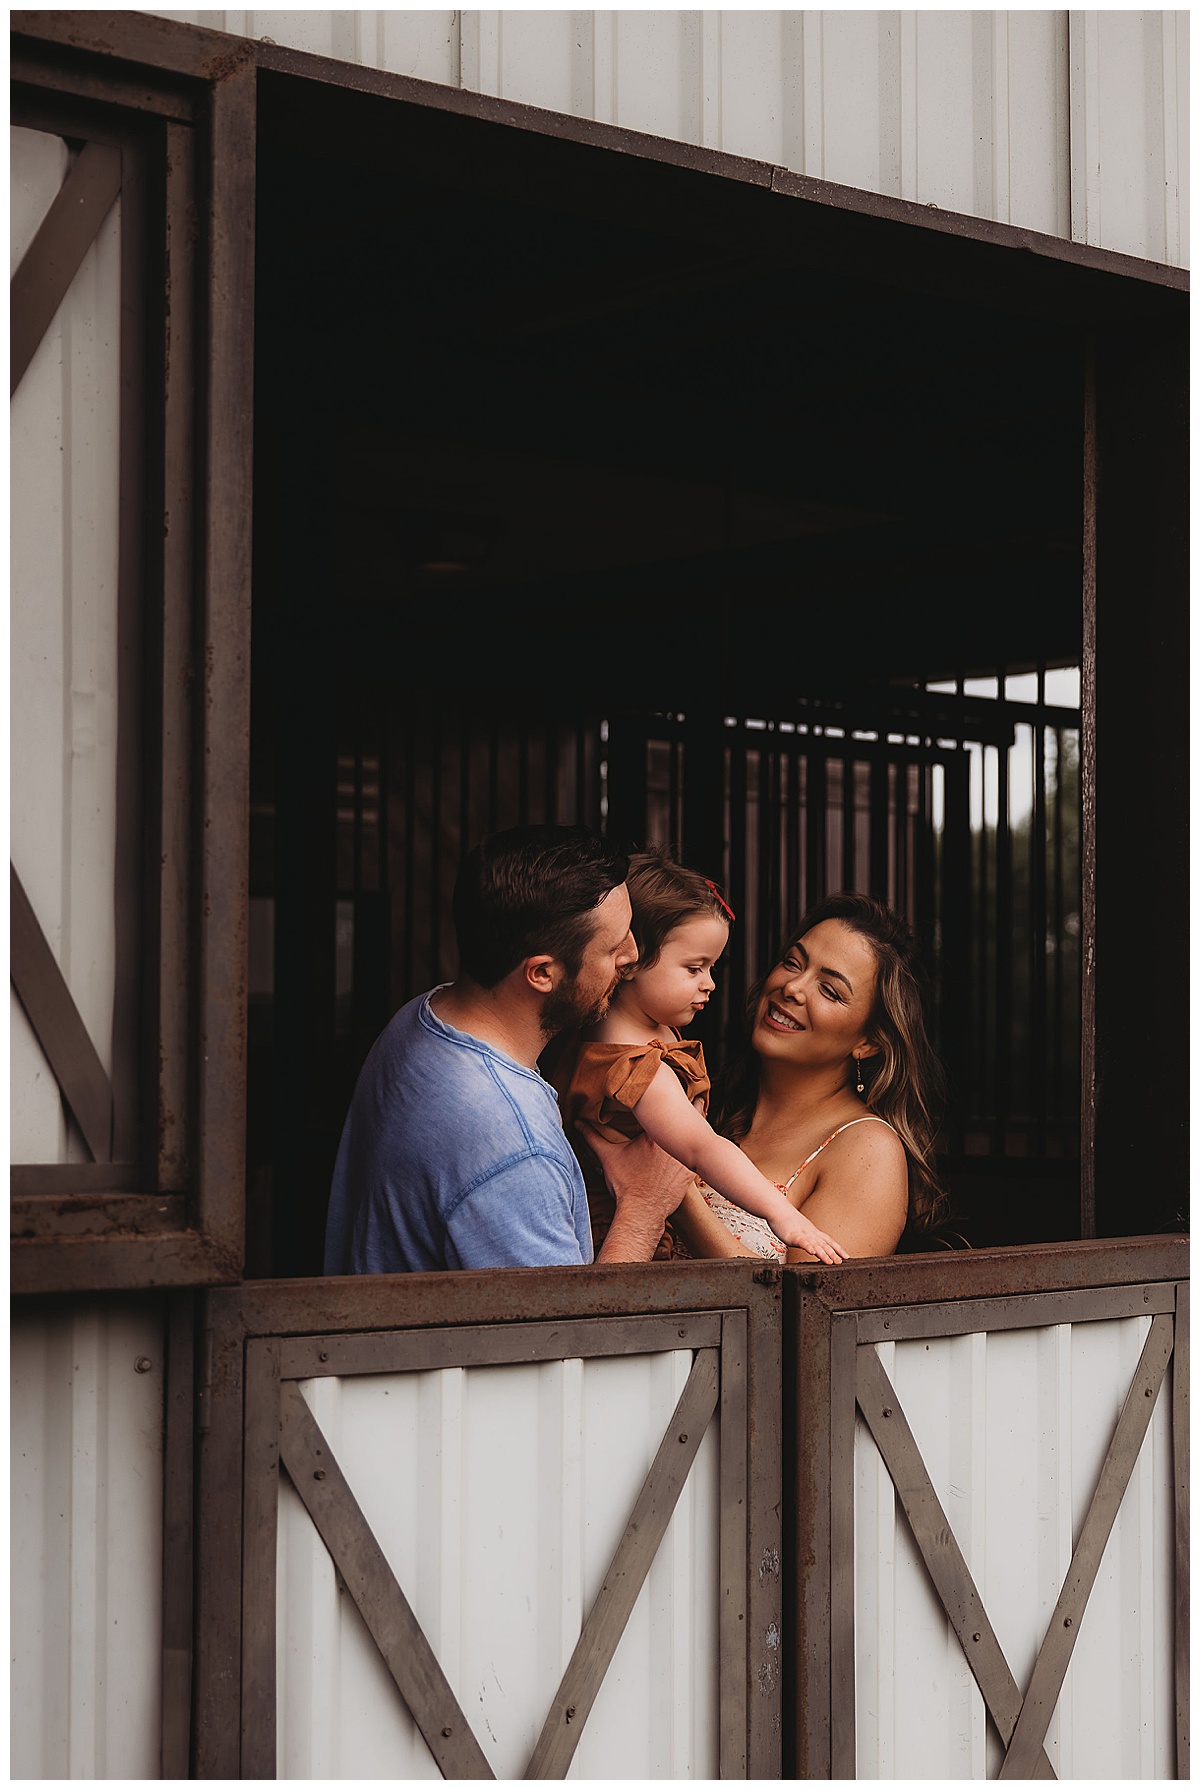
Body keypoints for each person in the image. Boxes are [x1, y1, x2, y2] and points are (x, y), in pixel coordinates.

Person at [323, 825, 690, 1274]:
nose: (633, 955)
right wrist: (644, 1209)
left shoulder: (424, 1015)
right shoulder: (515, 1150)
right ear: (541, 973)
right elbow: (563, 1340)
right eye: (614, 947)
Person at [595, 891, 947, 1265]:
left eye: (829, 990)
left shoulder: (868, 1148)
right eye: (793, 963)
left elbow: (807, 1311)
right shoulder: (704, 1093)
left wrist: (676, 1190)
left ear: (869, 1042)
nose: (792, 987)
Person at [551, 849, 847, 1264]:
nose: (709, 984)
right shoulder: (637, 1067)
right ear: (631, 960)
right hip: (631, 1249)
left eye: (712, 968)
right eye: (694, 968)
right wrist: (784, 1217)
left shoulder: (629, 1028)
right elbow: (700, 1148)